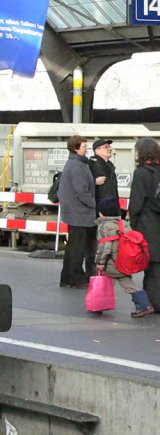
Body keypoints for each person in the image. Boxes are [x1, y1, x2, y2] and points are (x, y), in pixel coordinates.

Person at [94, 195, 153, 317]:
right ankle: (143, 304)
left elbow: (104, 247)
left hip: (112, 262)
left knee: (109, 281)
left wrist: (100, 262)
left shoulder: (103, 227)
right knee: (126, 281)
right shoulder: (123, 224)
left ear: (102, 213)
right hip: (125, 260)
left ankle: (98, 304)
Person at [57, 135, 96, 288]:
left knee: (73, 246)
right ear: (76, 148)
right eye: (84, 146)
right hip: (79, 213)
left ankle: (67, 278)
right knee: (77, 248)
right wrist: (93, 204)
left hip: (76, 212)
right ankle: (75, 278)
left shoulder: (75, 163)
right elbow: (81, 190)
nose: (87, 149)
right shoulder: (77, 166)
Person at [128, 137, 160, 314]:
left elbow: (137, 202)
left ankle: (154, 303)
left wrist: (132, 224)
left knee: (152, 268)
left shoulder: (142, 173)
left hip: (149, 225)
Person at [88, 139, 118, 212]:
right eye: (106, 147)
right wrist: (94, 181)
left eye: (110, 147)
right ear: (97, 150)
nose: (110, 149)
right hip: (98, 208)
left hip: (110, 207)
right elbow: (82, 183)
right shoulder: (91, 164)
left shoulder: (109, 165)